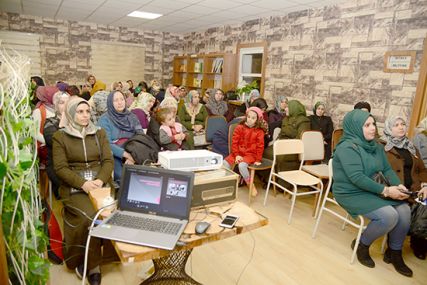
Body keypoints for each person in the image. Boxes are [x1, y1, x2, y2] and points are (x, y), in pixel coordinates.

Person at [332, 109, 413, 277]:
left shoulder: (375, 145)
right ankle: (362, 244)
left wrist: (399, 186)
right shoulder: (347, 147)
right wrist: (386, 190)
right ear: (355, 127)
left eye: (373, 124)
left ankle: (394, 252)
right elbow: (356, 178)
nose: (372, 129)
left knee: (404, 210)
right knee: (389, 216)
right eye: (366, 125)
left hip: (372, 188)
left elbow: (386, 169)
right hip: (350, 192)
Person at [52, 97, 117, 285]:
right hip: (75, 186)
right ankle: (92, 266)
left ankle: (98, 260)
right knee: (90, 216)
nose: (85, 115)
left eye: (87, 111)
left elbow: (108, 161)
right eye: (80, 112)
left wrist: (99, 180)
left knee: (108, 214)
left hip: (100, 183)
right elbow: (61, 168)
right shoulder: (60, 136)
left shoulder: (100, 133)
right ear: (71, 114)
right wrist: (83, 184)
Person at [381, 115, 427, 260]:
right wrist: (393, 189)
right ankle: (394, 248)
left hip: (415, 189)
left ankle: (418, 242)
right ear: (389, 128)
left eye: (403, 124)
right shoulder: (382, 147)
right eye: (396, 125)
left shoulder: (411, 146)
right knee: (403, 209)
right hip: (394, 190)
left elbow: (422, 170)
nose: (401, 127)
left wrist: (425, 185)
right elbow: (380, 173)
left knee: (425, 204)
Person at [97, 91, 143, 181]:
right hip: (114, 155)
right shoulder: (104, 119)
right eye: (115, 100)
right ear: (110, 103)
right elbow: (106, 144)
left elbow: (141, 136)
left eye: (122, 99)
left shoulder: (132, 117)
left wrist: (133, 156)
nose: (120, 102)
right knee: (124, 178)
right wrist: (126, 155)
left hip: (135, 151)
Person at [223, 107, 267, 197]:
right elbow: (234, 143)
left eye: (253, 118)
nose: (250, 119)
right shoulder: (239, 127)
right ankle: (228, 183)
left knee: (242, 165)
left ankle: (250, 184)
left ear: (258, 120)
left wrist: (258, 159)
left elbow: (260, 146)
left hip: (250, 155)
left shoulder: (259, 131)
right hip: (237, 153)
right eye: (249, 117)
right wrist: (236, 155)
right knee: (224, 163)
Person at [43, 91, 70, 199]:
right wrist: (63, 123)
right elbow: (56, 142)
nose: (65, 106)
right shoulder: (50, 122)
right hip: (57, 165)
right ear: (56, 105)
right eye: (62, 103)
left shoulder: (78, 121)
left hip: (76, 163)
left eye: (68, 103)